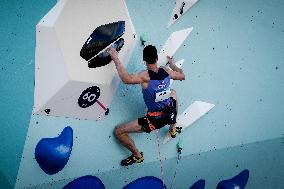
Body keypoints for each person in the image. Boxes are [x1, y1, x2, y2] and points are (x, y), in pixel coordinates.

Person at [107, 45, 185, 166]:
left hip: (154, 121)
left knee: (118, 131)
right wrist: (173, 63)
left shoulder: (145, 76)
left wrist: (115, 57)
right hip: (170, 113)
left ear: (144, 60)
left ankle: (137, 156)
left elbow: (126, 79)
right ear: (157, 58)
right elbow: (182, 75)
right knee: (173, 93)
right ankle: (173, 129)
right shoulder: (167, 71)